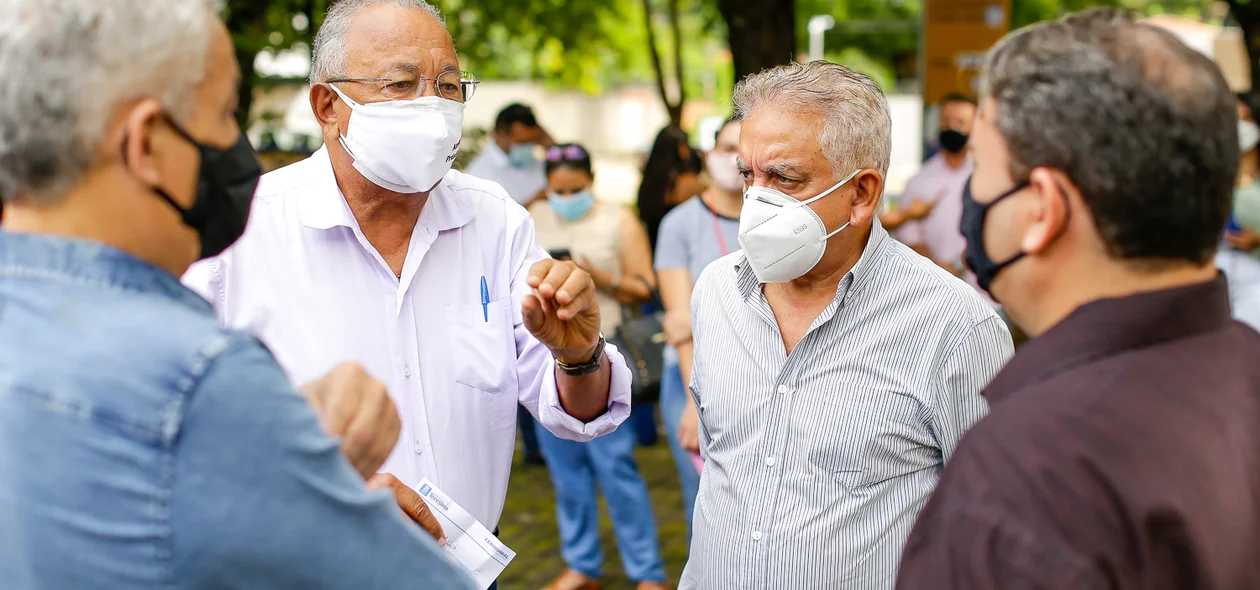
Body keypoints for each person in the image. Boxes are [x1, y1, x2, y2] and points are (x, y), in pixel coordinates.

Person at [0, 0, 473, 587]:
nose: (238, 149)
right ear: (146, 144)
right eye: (224, 115)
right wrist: (312, 473)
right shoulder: (198, 379)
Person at [182, 0, 631, 549]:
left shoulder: (494, 221)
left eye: (447, 86)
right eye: (401, 84)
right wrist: (318, 491)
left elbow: (576, 410)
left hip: (463, 570)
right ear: (328, 105)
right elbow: (172, 425)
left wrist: (580, 355)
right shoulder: (241, 232)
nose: (432, 107)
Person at [897, 9, 1260, 588]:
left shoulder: (1025, 474)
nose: (968, 196)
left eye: (983, 170)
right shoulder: (1242, 367)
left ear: (1042, 209)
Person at [679, 61, 1012, 590]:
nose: (755, 202)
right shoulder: (718, 292)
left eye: (783, 178)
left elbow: (994, 524)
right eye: (748, 175)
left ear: (861, 193)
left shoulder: (955, 328)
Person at [527, 143, 667, 590]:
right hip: (545, 364)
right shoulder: (530, 217)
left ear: (592, 181)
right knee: (565, 471)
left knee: (617, 467)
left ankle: (647, 571)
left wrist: (596, 277)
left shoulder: (618, 220)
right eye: (558, 189)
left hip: (608, 362)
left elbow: (645, 287)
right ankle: (582, 563)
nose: (567, 196)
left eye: (577, 188)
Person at [654, 117, 742, 539]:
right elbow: (680, 326)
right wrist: (695, 404)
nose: (737, 159)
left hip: (761, 375)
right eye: (727, 148)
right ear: (709, 155)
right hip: (693, 378)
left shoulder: (779, 221)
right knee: (706, 505)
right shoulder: (680, 224)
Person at [884, 94, 977, 277]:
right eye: (945, 120)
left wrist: (959, 264)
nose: (952, 128)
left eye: (960, 122)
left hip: (980, 287)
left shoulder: (985, 176)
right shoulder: (921, 179)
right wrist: (938, 268)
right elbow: (909, 234)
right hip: (932, 281)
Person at [465, 102, 553, 206]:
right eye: (522, 142)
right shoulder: (479, 175)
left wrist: (552, 145)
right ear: (500, 135)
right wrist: (534, 203)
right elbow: (493, 219)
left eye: (532, 141)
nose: (528, 147)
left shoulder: (536, 163)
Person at [637, 125, 705, 251]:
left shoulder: (648, 181)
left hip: (651, 250)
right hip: (680, 252)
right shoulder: (688, 183)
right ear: (680, 148)